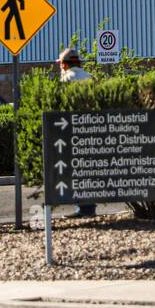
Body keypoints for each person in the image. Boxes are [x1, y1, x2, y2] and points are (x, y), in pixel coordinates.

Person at [59, 48, 96, 218]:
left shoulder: (67, 78)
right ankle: (89, 208)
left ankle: (82, 209)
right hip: (91, 128)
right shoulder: (89, 76)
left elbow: (62, 105)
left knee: (77, 170)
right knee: (88, 170)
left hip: (73, 129)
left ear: (65, 64)